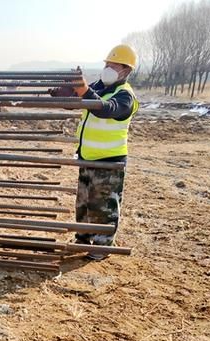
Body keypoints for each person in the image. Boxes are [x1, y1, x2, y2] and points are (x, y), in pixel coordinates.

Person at [50, 44, 139, 260]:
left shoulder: (125, 96)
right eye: (107, 64)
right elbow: (84, 101)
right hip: (87, 158)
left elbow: (105, 109)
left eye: (113, 65)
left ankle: (102, 246)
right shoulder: (100, 86)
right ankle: (83, 238)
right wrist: (65, 96)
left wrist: (84, 91)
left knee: (104, 206)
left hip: (109, 161)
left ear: (126, 70)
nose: (108, 68)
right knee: (84, 203)